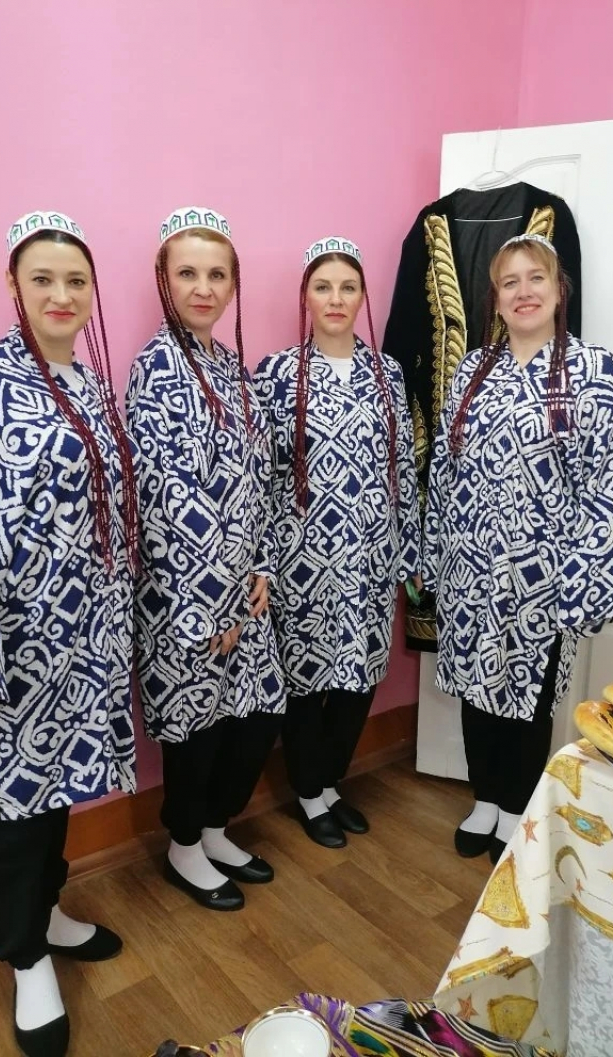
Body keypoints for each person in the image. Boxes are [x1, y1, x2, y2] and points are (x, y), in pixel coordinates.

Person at [0, 211, 139, 1057]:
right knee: (9, 806)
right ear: (12, 285)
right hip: (5, 645)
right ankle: (24, 958)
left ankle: (47, 910)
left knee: (54, 789)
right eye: (42, 278)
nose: (61, 294)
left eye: (75, 280)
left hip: (81, 640)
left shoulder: (89, 384)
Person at [423, 233, 613, 865]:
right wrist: (434, 556)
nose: (523, 292)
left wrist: (587, 578)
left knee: (527, 695)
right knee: (474, 687)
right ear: (496, 297)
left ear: (558, 289)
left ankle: (516, 808)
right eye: (509, 282)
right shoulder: (473, 372)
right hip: (470, 567)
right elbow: (444, 471)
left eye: (535, 278)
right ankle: (485, 799)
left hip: (545, 576)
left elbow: (604, 485)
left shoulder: (594, 372)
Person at [126, 206, 285, 912]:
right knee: (196, 726)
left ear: (232, 284)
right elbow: (164, 499)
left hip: (243, 591)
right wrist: (209, 606)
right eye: (187, 272)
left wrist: (262, 568)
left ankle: (216, 827)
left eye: (216, 274)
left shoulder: (233, 368)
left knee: (254, 716)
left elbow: (259, 478)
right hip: (186, 597)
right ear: (164, 279)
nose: (203, 287)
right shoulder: (156, 369)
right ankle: (184, 844)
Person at [253, 237, 421, 848]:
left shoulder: (387, 374)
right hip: (301, 558)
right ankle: (308, 792)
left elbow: (402, 466)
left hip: (372, 554)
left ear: (362, 297)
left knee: (359, 676)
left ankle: (329, 783)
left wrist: (409, 550)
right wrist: (263, 560)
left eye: (348, 287)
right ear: (306, 296)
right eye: (323, 286)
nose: (335, 298)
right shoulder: (276, 374)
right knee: (306, 681)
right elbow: (262, 473)